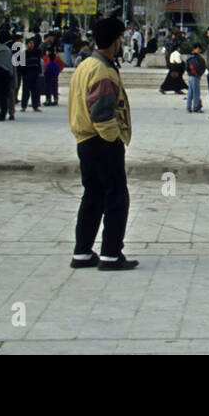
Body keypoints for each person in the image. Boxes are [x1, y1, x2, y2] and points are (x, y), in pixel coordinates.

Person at [69, 17, 137, 271]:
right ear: (116, 40)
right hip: (101, 140)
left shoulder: (86, 64)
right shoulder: (103, 71)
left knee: (93, 195)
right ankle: (110, 253)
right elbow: (101, 111)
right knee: (116, 195)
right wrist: (114, 137)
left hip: (84, 139)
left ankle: (83, 252)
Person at [20, 37, 43, 112]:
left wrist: (39, 72)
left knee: (35, 91)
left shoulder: (37, 53)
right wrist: (23, 73)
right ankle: (23, 106)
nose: (32, 45)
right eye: (30, 43)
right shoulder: (24, 53)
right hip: (27, 74)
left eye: (32, 43)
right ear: (27, 45)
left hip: (35, 73)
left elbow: (38, 63)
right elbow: (22, 65)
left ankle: (35, 106)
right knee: (26, 91)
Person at [185, 45, 206, 113]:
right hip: (195, 76)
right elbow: (196, 68)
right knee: (196, 92)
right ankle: (196, 107)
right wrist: (199, 74)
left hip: (190, 76)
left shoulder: (189, 58)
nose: (199, 50)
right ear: (194, 50)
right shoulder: (196, 59)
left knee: (190, 92)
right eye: (197, 49)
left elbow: (187, 68)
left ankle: (188, 107)